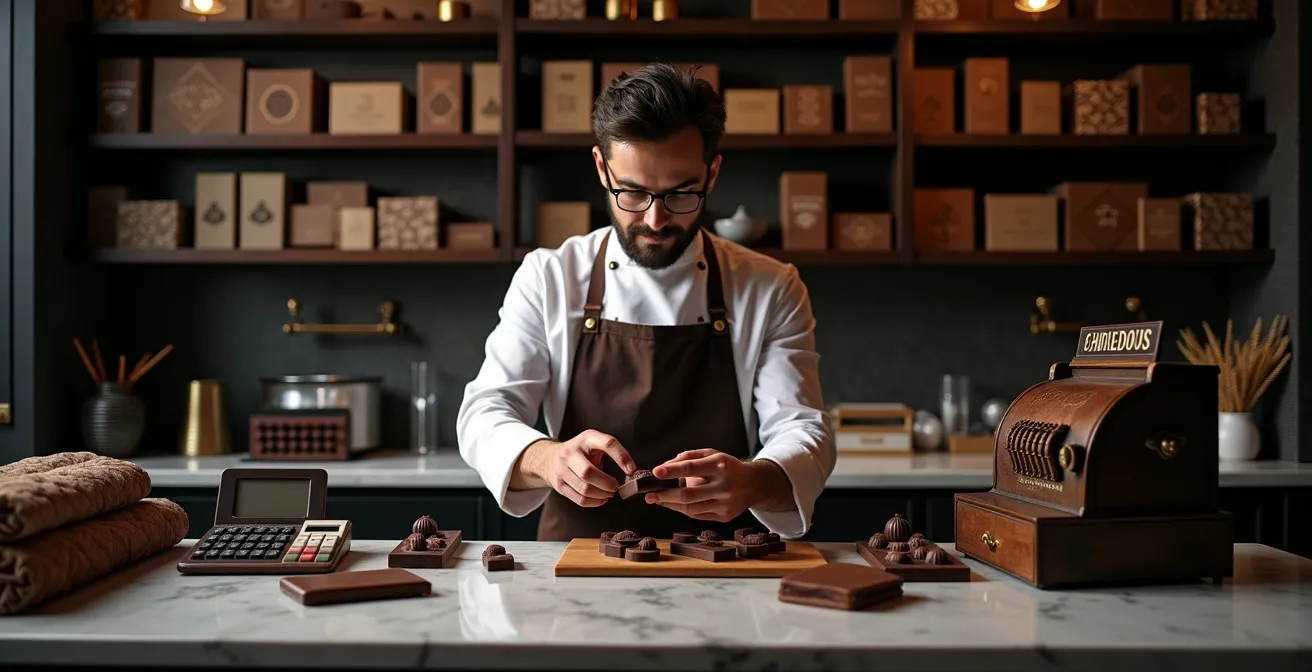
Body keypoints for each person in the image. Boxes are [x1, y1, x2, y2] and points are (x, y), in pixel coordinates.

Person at [457, 63, 835, 542]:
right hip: (574, 566)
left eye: (681, 194)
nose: (656, 219)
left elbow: (804, 428)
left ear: (711, 174)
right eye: (632, 192)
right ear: (601, 168)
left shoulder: (770, 286)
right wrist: (548, 459)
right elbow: (485, 411)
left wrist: (755, 480)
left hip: (727, 567)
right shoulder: (549, 277)